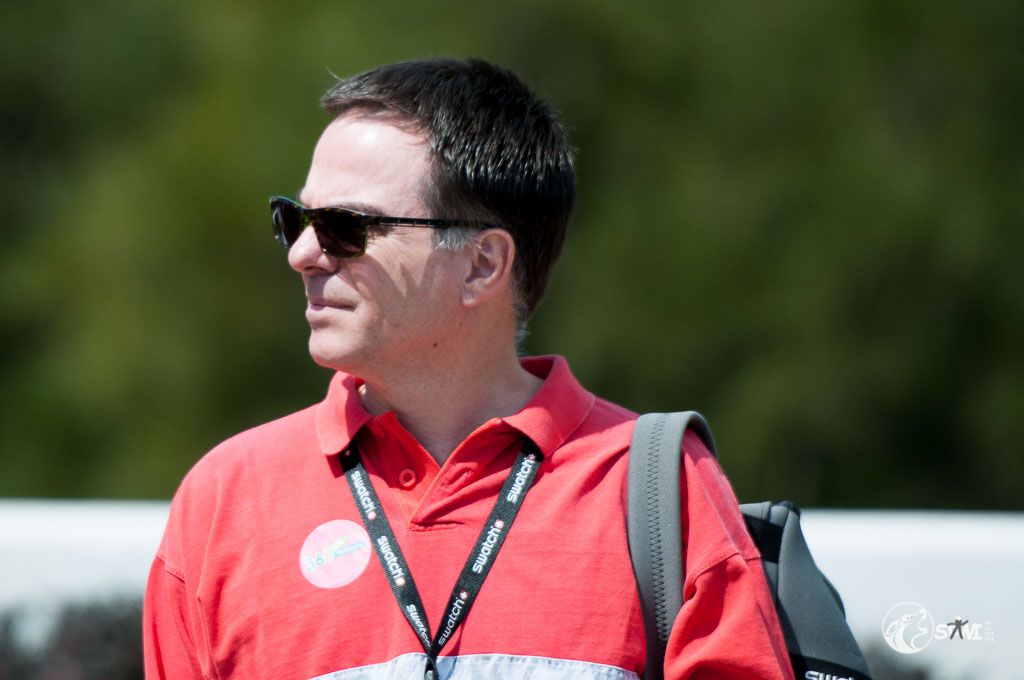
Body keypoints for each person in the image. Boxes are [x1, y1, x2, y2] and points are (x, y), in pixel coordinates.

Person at [143, 57, 793, 680]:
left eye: (344, 226)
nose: (303, 253)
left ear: (482, 265)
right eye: (295, 219)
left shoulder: (658, 489)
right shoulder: (224, 500)